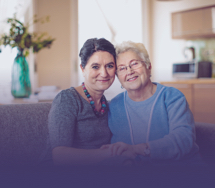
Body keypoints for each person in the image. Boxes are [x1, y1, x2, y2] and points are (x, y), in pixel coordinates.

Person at [102, 41, 202, 165]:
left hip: (182, 172)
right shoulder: (113, 106)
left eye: (134, 64)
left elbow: (183, 140)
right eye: (122, 68)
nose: (129, 71)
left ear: (148, 67)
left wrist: (136, 149)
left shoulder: (172, 97)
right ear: (118, 77)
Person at [47, 38, 116, 166]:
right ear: (83, 69)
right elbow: (59, 156)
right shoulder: (67, 99)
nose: (104, 73)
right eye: (95, 67)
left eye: (110, 66)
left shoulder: (106, 104)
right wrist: (109, 154)